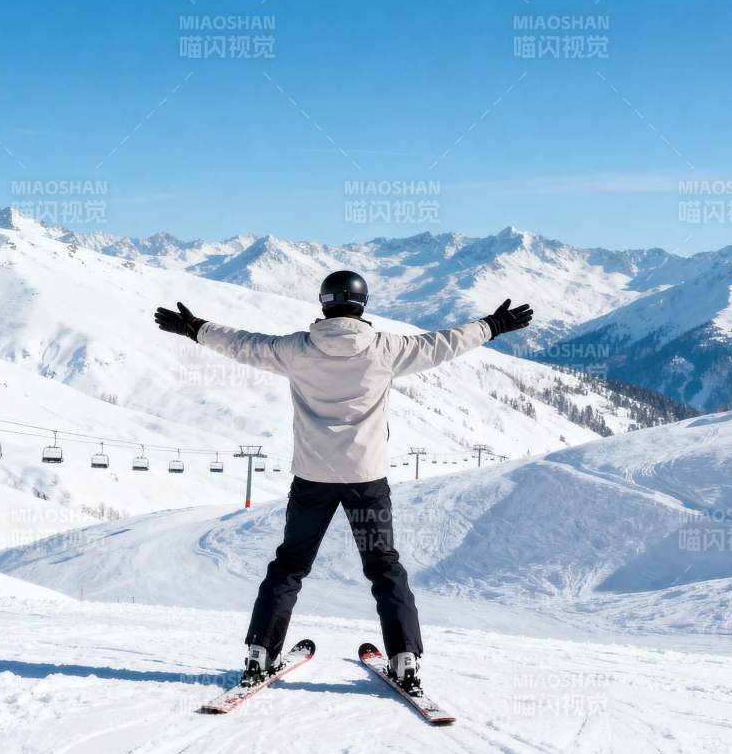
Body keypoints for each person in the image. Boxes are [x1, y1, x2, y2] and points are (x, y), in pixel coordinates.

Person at [154, 270, 533, 692]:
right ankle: (405, 659)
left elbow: (243, 345)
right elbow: (443, 344)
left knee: (289, 566)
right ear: (363, 304)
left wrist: (194, 329)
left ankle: (261, 652)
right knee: (384, 567)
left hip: (312, 479)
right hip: (366, 481)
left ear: (323, 303)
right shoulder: (386, 348)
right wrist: (494, 326)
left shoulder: (295, 349)